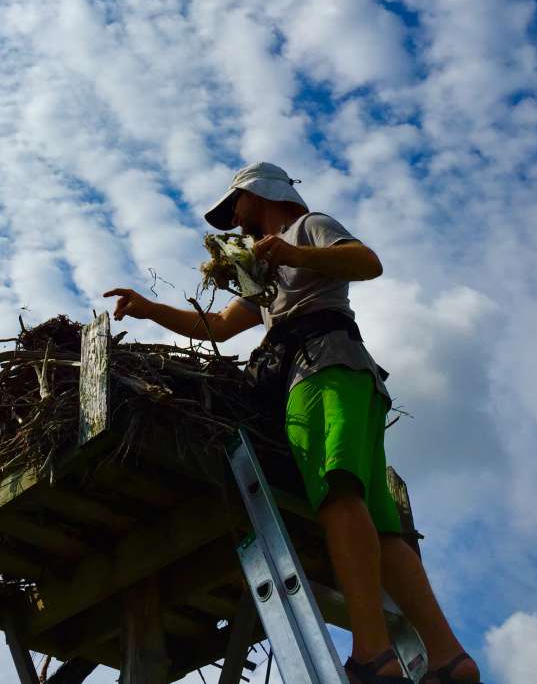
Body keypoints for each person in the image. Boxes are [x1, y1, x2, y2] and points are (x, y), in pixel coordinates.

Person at [104, 162, 480, 684]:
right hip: (347, 380)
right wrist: (149, 310)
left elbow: (367, 262)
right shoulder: (262, 274)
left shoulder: (308, 227)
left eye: (234, 206)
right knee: (383, 526)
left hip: (323, 368)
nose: (233, 222)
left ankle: (373, 653)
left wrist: (294, 252)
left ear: (259, 194)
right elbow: (212, 326)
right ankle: (448, 657)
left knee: (336, 494)